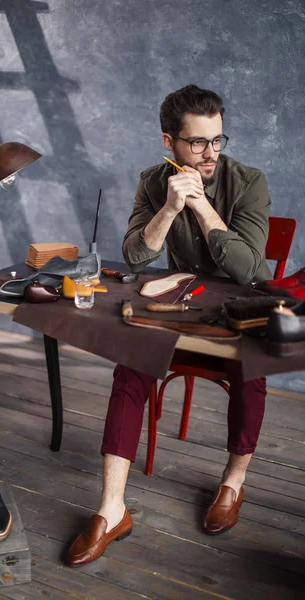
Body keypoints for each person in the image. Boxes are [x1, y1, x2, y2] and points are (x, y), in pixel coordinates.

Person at [64, 84, 272, 567]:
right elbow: (136, 254)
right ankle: (111, 509)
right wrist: (170, 207)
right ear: (169, 142)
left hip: (234, 315)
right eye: (197, 142)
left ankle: (232, 482)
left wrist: (200, 205)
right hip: (177, 311)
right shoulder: (153, 181)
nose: (210, 153)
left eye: (217, 140)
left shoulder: (248, 181)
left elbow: (250, 270)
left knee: (253, 368)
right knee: (130, 366)